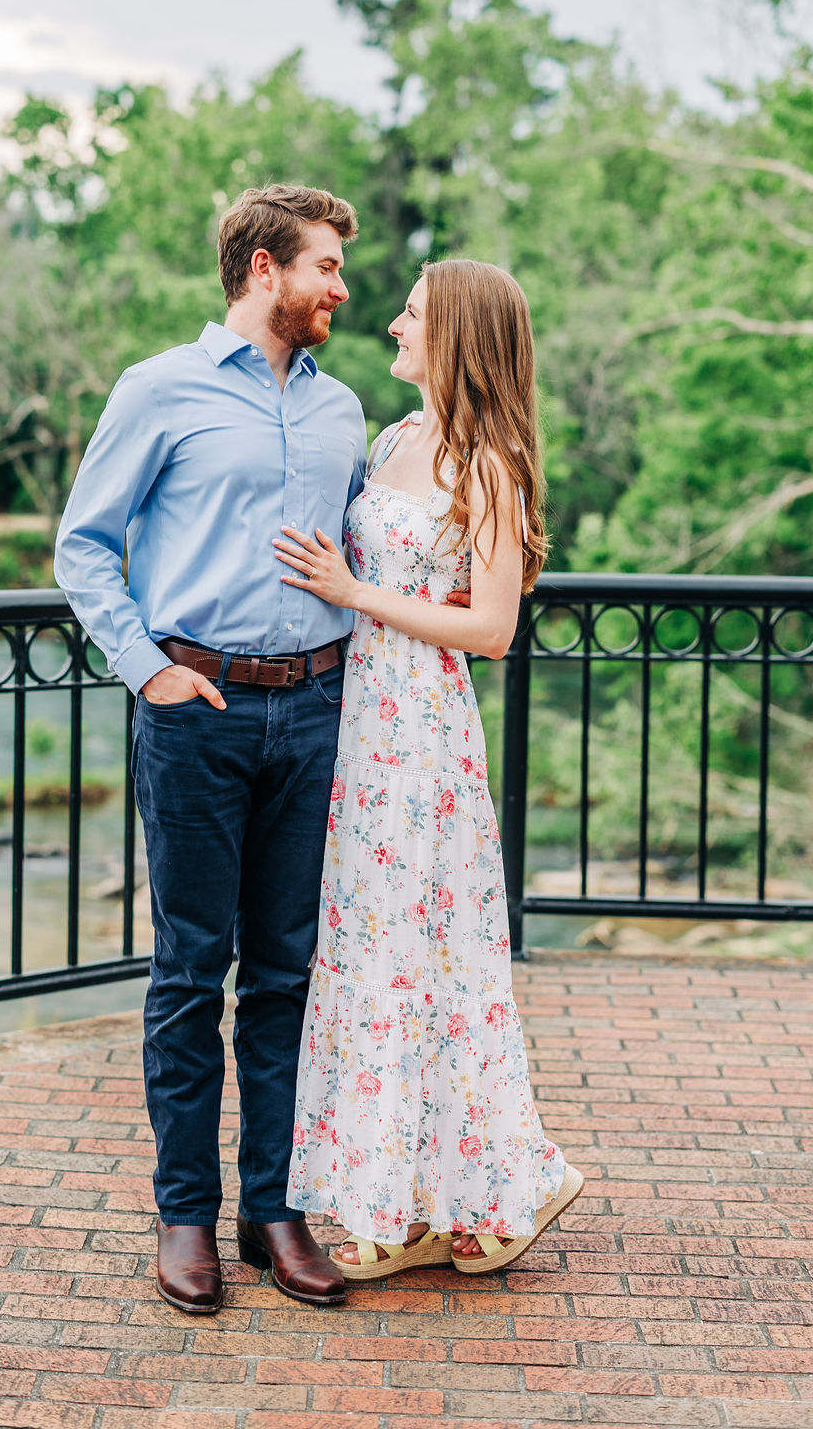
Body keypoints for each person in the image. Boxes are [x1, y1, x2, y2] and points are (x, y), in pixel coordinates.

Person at [53, 184, 368, 1313]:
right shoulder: (159, 389)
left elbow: (366, 554)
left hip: (318, 712)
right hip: (198, 713)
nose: (341, 286)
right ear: (263, 269)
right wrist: (152, 673)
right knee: (191, 974)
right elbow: (82, 549)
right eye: (325, 265)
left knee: (284, 977)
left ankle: (271, 1212)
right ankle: (182, 1213)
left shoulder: (342, 412)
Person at [278, 259, 582, 1279]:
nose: (394, 322)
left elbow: (490, 628)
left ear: (454, 334)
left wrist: (353, 592)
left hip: (421, 734)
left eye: (413, 311)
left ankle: (509, 1180)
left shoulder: (486, 465)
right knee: (370, 954)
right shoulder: (396, 439)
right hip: (356, 723)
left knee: (431, 953)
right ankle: (402, 1200)